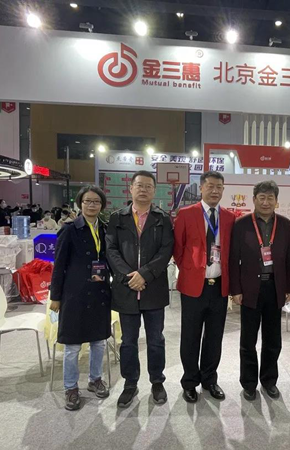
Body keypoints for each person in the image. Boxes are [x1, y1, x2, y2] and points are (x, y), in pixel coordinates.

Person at [106, 170, 174, 408]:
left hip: (153, 288)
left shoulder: (163, 219)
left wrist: (144, 274)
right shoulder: (117, 218)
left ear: (154, 191)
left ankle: (157, 381)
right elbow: (111, 250)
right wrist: (129, 277)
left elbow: (166, 250)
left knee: (156, 340)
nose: (143, 190)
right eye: (139, 185)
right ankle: (130, 383)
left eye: (148, 186)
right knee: (128, 341)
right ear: (131, 188)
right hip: (126, 290)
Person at [173, 171, 236, 403]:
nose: (215, 190)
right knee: (190, 336)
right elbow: (177, 249)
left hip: (219, 286)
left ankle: (210, 380)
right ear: (201, 188)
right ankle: (190, 382)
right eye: (210, 186)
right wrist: (191, 270)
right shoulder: (186, 214)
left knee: (214, 337)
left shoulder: (229, 217)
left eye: (219, 187)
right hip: (193, 287)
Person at [230, 180, 290, 401]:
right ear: (254, 199)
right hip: (249, 289)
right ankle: (249, 383)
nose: (266, 202)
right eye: (262, 198)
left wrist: (289, 288)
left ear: (277, 201)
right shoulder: (241, 224)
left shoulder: (285, 224)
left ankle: (269, 381)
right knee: (248, 340)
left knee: (273, 340)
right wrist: (235, 289)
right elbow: (233, 259)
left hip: (275, 288)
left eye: (270, 198)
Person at [49, 185, 111, 411]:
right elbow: (58, 266)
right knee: (72, 346)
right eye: (87, 201)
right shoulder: (69, 230)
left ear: (102, 205)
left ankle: (95, 379)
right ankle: (71, 387)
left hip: (99, 291)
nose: (92, 205)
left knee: (98, 341)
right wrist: (55, 296)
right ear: (80, 204)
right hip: (74, 293)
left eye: (96, 201)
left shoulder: (105, 229)